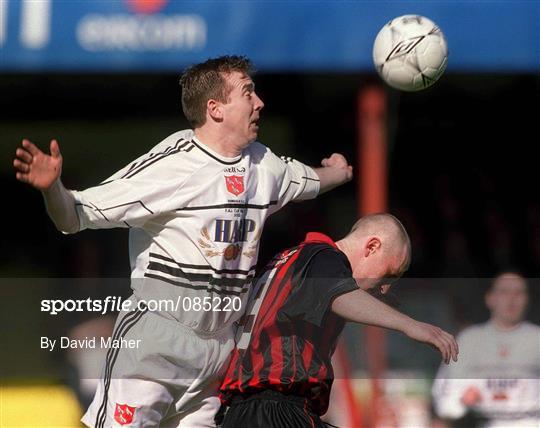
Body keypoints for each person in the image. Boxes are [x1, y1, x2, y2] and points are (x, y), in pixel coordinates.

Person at [13, 55, 352, 427]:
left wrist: (337, 172)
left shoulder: (263, 164)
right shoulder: (172, 166)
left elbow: (307, 181)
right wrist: (52, 190)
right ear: (215, 108)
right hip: (157, 342)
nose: (260, 103)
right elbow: (75, 215)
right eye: (248, 93)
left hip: (220, 352)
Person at [218, 213, 459, 427]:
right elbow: (340, 296)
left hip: (247, 409)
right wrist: (411, 325)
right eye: (389, 274)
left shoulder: (290, 258)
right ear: (372, 246)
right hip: (277, 407)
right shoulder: (324, 257)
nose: (385, 288)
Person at [432, 272, 540, 428]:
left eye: (519, 293)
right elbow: (444, 401)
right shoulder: (468, 340)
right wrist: (462, 401)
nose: (511, 300)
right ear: (490, 298)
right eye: (504, 292)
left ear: (527, 299)